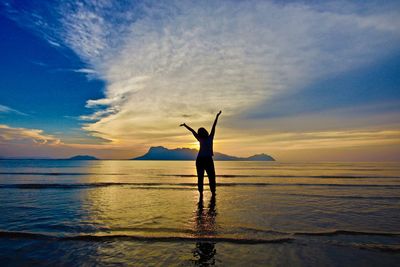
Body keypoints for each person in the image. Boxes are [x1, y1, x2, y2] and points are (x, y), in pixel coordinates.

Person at [180, 111, 221, 197]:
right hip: (204, 160)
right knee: (206, 177)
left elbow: (213, 126)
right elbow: (193, 131)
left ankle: (209, 194)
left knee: (208, 177)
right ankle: (206, 194)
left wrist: (217, 116)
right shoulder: (206, 138)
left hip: (203, 159)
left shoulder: (206, 138)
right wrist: (185, 125)